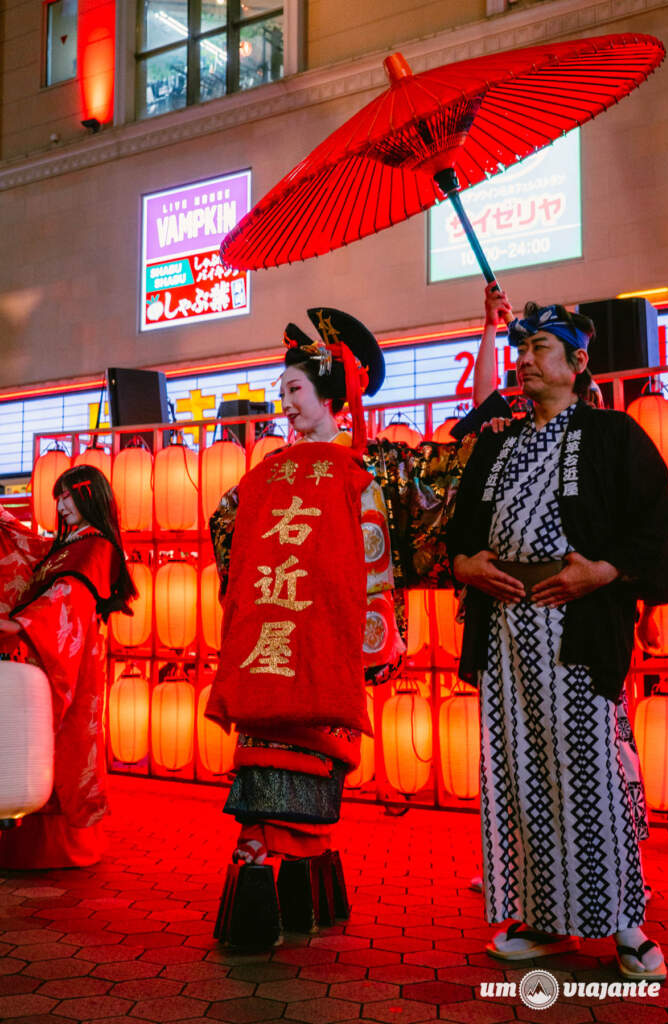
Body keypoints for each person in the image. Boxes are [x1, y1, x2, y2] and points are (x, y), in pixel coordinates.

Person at [446, 299, 668, 983]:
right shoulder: (496, 440)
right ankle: (542, 918)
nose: (524, 361)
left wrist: (603, 571)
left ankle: (624, 925)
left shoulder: (612, 434)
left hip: (577, 628)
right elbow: (460, 533)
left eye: (539, 348)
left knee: (591, 776)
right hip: (505, 632)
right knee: (518, 777)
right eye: (520, 349)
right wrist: (465, 565)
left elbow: (657, 521)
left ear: (578, 363)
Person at [206, 307, 404, 936]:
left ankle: (282, 871)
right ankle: (295, 876)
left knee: (311, 762)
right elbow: (227, 526)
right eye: (282, 390)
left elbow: (377, 561)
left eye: (294, 389)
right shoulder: (265, 474)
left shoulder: (360, 475)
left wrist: (372, 639)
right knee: (267, 751)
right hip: (275, 639)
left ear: (328, 396)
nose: (284, 402)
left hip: (323, 645)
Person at [0, 465, 136, 869]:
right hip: (54, 651)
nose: (61, 505)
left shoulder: (95, 546)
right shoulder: (68, 543)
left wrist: (19, 625)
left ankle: (56, 848)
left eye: (68, 496)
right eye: (58, 497)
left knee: (63, 740)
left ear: (89, 496)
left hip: (71, 655)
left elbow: (67, 602)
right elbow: (29, 548)